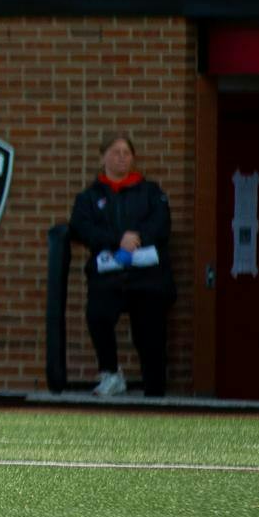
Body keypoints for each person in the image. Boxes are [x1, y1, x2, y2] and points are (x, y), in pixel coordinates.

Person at [67, 132, 175, 397]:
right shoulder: (89, 197)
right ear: (103, 156)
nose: (121, 158)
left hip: (147, 277)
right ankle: (111, 375)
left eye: (126, 153)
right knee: (98, 317)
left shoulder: (150, 192)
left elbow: (161, 224)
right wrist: (118, 240)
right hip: (107, 277)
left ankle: (155, 389)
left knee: (150, 333)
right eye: (115, 152)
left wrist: (135, 240)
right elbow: (81, 228)